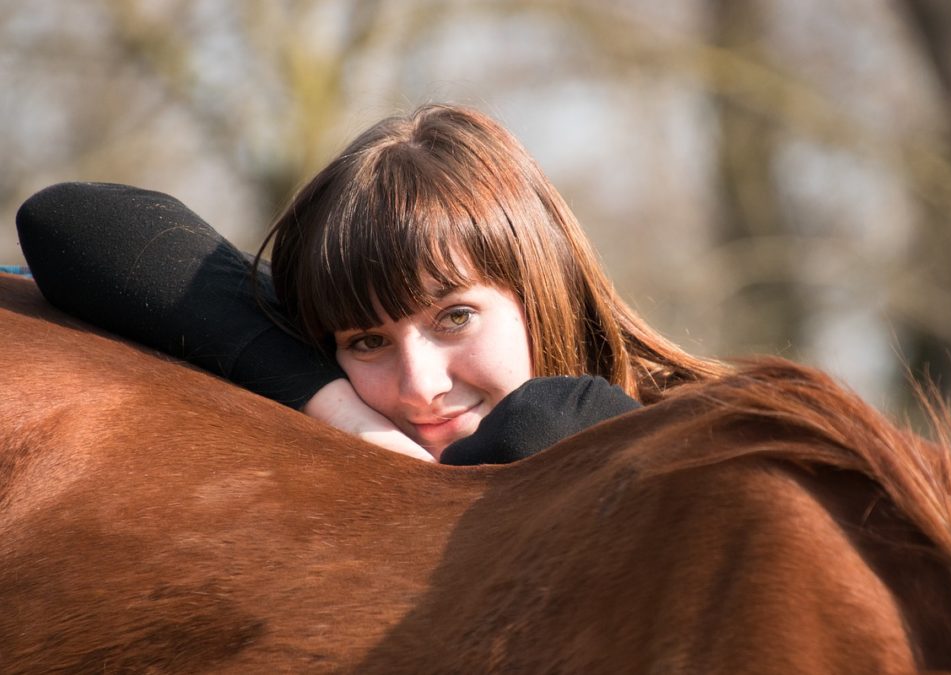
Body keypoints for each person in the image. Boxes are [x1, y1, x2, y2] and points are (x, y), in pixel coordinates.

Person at [16, 103, 729, 464]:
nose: (419, 384)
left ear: (540, 286)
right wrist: (344, 415)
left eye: (455, 318)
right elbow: (66, 220)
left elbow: (546, 425)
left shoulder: (706, 434)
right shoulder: (353, 402)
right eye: (367, 340)